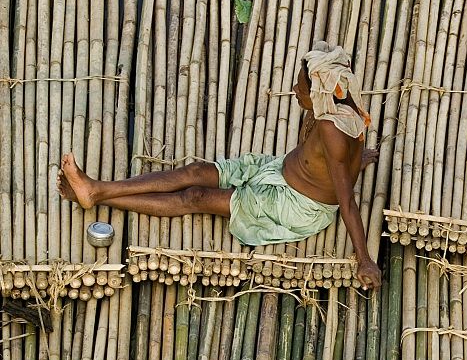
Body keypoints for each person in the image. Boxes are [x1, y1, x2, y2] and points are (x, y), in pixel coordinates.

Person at [57, 42, 382, 290]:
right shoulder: (340, 100)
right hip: (278, 169)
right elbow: (341, 159)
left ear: (318, 92)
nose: (295, 90)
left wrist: (365, 260)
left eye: (301, 87)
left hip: (295, 205)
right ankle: (96, 190)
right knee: (195, 171)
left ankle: (96, 193)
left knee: (195, 195)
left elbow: (347, 203)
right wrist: (354, 163)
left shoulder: (333, 132)